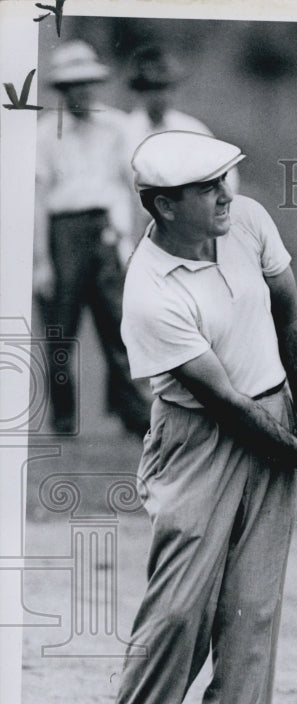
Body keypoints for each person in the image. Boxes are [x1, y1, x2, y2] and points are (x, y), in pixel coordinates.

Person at [65, 131, 297, 704]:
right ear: (164, 205)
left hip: (276, 415)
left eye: (226, 178)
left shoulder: (247, 221)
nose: (226, 194)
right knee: (179, 603)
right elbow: (222, 401)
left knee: (252, 604)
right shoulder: (150, 290)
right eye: (207, 187)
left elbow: (293, 315)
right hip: (199, 435)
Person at [33, 40, 151, 436]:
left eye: (87, 83)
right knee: (60, 333)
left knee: (120, 326)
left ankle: (134, 416)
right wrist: (41, 261)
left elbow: (131, 188)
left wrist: (128, 241)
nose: (82, 91)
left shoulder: (117, 127)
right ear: (62, 90)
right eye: (73, 85)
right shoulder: (46, 134)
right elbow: (38, 198)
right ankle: (63, 421)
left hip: (105, 228)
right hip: (62, 232)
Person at [122, 43, 239, 236]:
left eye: (165, 88)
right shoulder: (126, 132)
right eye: (152, 89)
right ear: (140, 91)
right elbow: (119, 188)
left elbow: (226, 173)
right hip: (139, 225)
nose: (160, 96)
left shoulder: (191, 129)